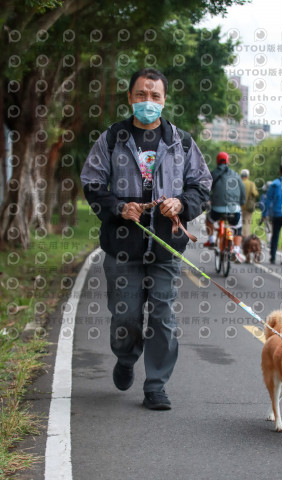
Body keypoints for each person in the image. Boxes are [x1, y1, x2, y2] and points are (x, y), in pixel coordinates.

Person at [80, 68, 212, 410]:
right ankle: (125, 358)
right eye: (141, 95)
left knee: (163, 317)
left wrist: (182, 204)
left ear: (164, 100)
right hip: (123, 246)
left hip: (167, 247)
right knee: (125, 315)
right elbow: (92, 184)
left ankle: (156, 385)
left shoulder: (181, 142)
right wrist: (119, 208)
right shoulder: (112, 138)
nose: (148, 102)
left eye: (155, 96)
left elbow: (202, 185)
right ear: (130, 98)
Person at [204, 151, 246, 263]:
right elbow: (242, 192)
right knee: (237, 228)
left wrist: (208, 200)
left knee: (209, 219)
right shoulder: (236, 175)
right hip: (234, 210)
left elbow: (206, 190)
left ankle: (211, 240)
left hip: (217, 209)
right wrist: (241, 202)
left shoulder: (213, 174)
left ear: (217, 161)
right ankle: (236, 251)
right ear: (228, 162)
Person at [240, 169, 259, 237]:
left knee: (239, 223)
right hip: (248, 207)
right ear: (248, 176)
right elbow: (255, 193)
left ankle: (239, 237)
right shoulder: (251, 184)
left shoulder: (238, 182)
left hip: (239, 207)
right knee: (247, 223)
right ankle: (246, 238)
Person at [259, 180, 273, 247]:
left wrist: (263, 216)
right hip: (275, 214)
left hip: (267, 214)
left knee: (268, 228)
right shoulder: (276, 195)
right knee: (273, 228)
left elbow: (262, 206)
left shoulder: (264, 196)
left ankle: (269, 242)